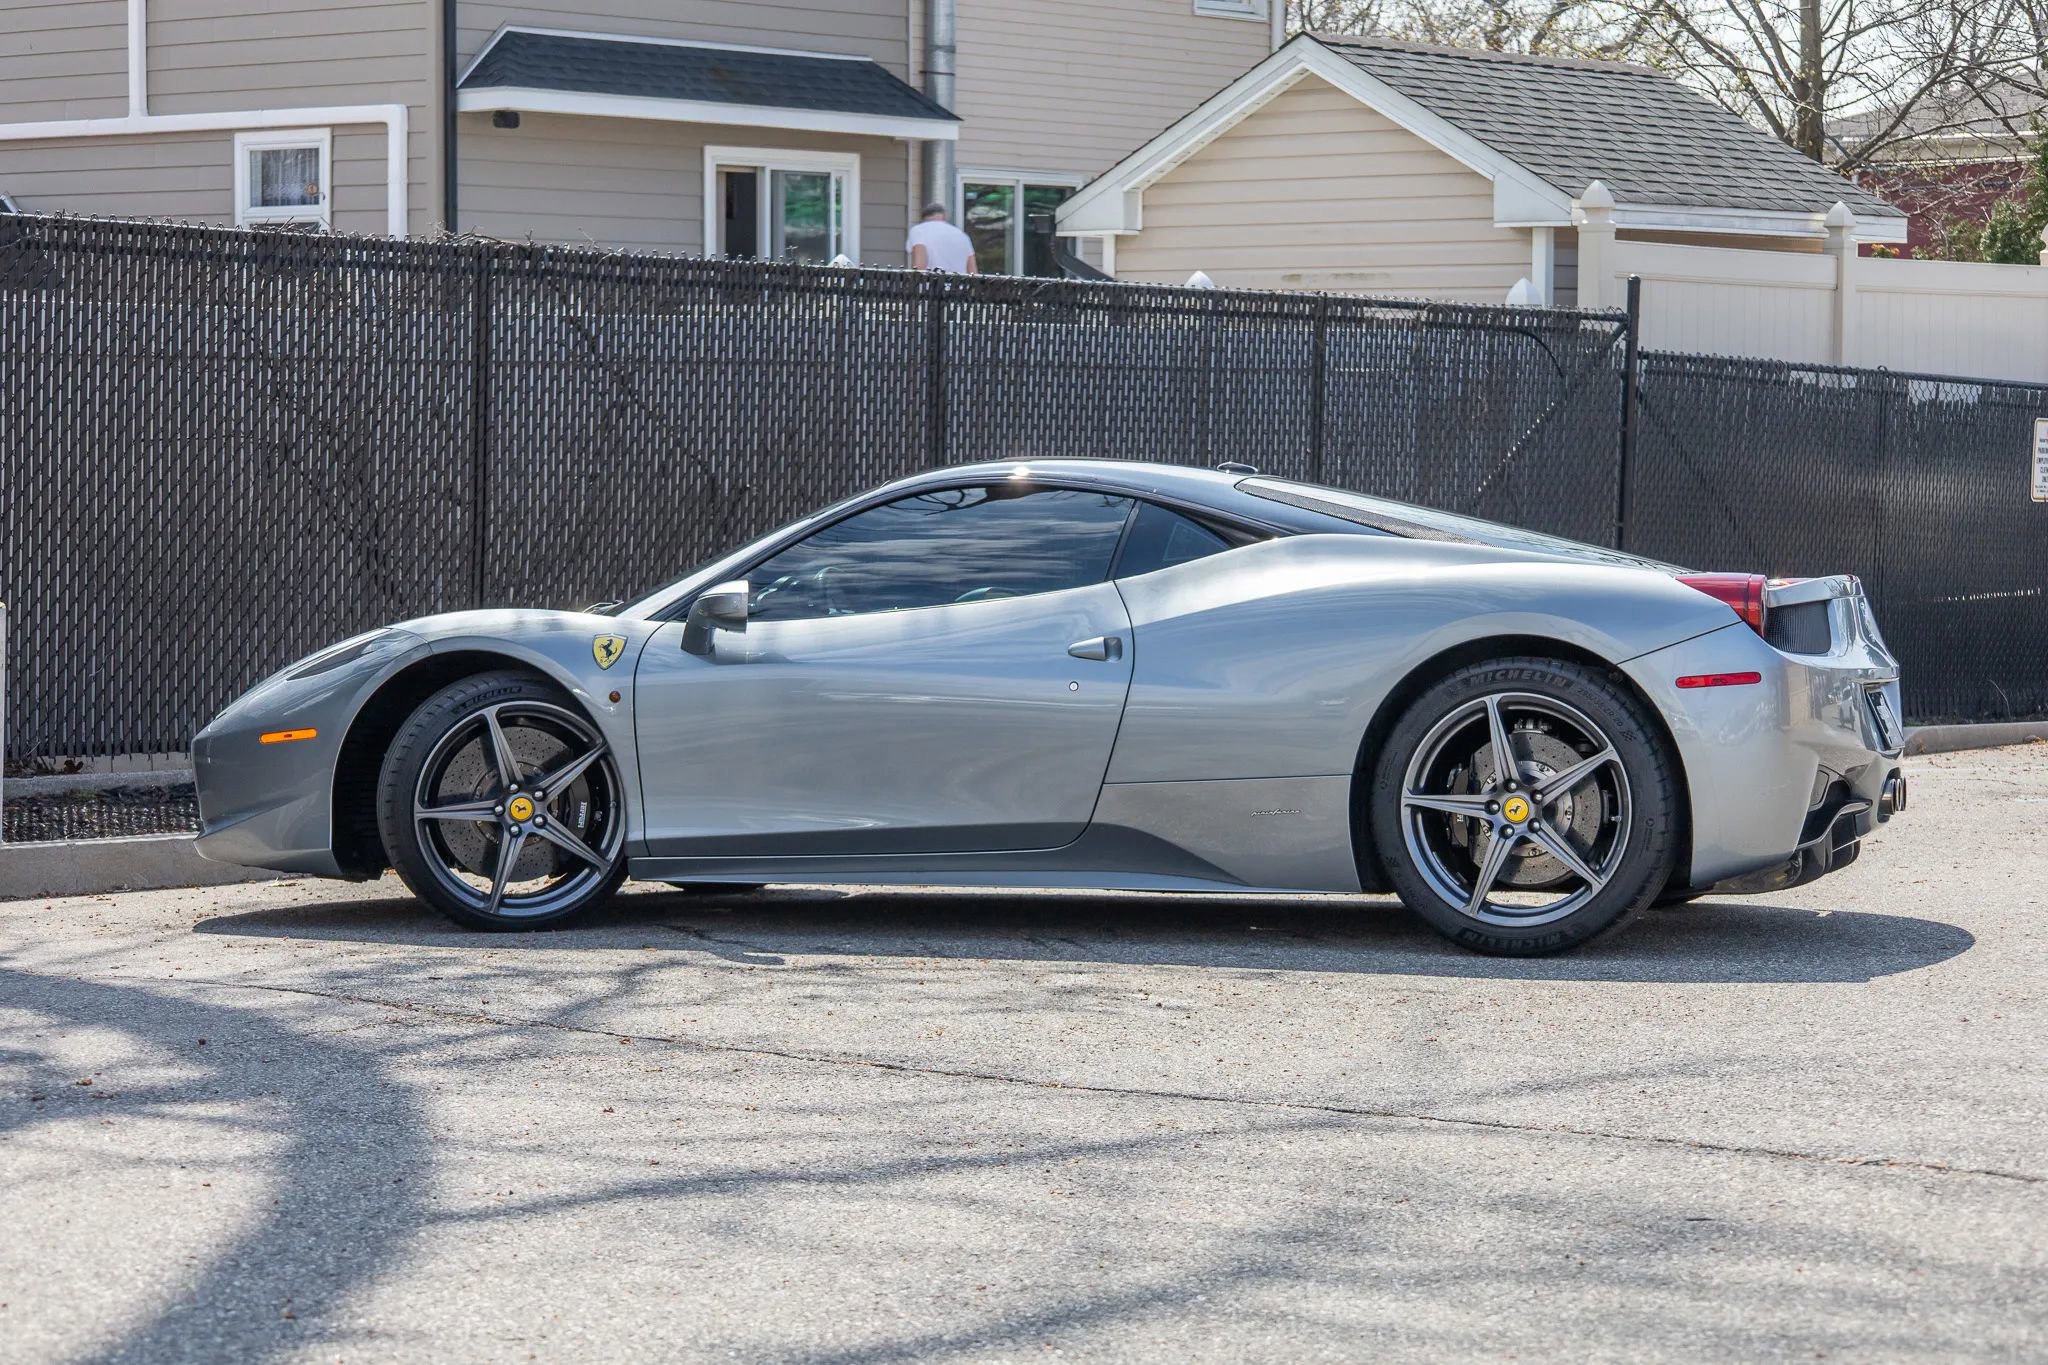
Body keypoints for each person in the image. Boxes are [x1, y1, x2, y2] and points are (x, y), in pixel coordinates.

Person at [906, 202, 977, 273]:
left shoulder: (919, 230)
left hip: (932, 282)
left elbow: (920, 265)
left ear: (923, 217)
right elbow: (972, 270)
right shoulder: (961, 234)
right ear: (944, 216)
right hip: (958, 283)